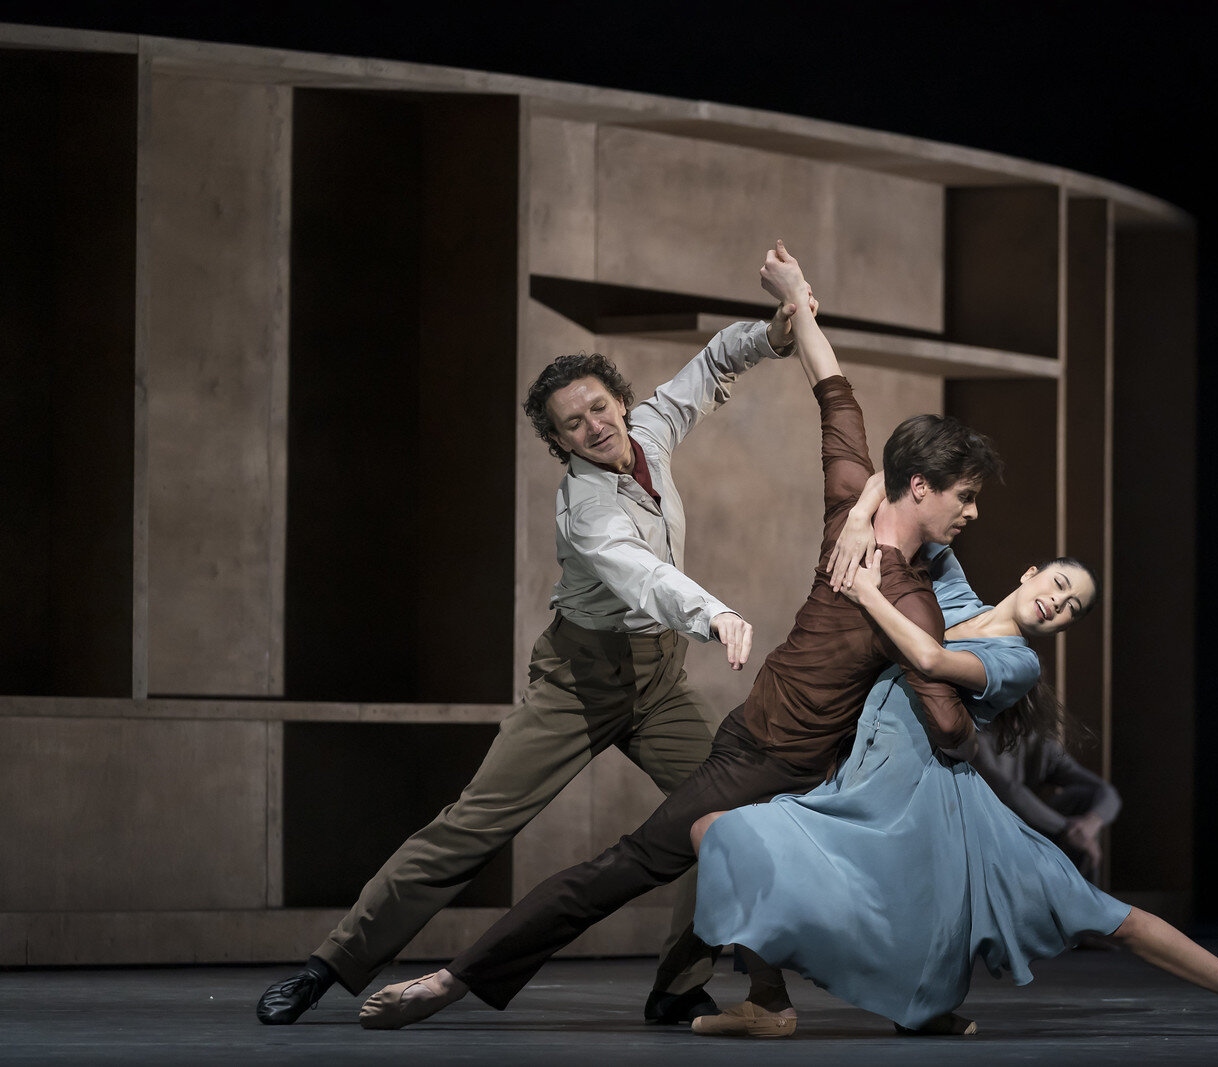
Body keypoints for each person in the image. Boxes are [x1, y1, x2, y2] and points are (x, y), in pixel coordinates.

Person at [353, 239, 1003, 1034]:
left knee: (826, 871)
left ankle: (799, 1001)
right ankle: (447, 978)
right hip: (733, 751)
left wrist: (794, 304)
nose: (972, 516)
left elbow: (833, 393)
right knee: (627, 864)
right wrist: (972, 681)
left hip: (791, 765)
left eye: (601, 407)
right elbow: (949, 725)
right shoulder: (912, 600)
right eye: (964, 499)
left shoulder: (848, 514)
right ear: (920, 486)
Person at [255, 298, 812, 1027]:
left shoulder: (650, 430)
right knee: (471, 826)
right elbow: (640, 573)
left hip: (659, 678)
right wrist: (714, 611)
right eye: (573, 423)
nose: (594, 426)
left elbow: (708, 367)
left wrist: (769, 336)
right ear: (558, 440)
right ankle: (329, 964)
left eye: (599, 407)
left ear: (620, 400)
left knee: (724, 813)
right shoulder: (586, 507)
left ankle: (680, 982)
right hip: (580, 680)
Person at [690, 542, 1218, 1038]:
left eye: (1072, 608)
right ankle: (769, 1002)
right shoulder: (950, 592)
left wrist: (867, 592)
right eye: (1060, 585)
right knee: (717, 830)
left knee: (1103, 913)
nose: (1060, 603)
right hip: (860, 792)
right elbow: (905, 493)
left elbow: (926, 659)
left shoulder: (1017, 661)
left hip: (938, 807)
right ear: (1032, 571)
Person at [971, 725, 1121, 883]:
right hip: (990, 829)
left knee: (1084, 799)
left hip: (1034, 827)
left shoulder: (1038, 742)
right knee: (1078, 835)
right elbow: (1009, 793)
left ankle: (1081, 898)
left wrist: (1092, 821)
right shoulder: (975, 737)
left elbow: (1106, 792)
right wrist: (1068, 829)